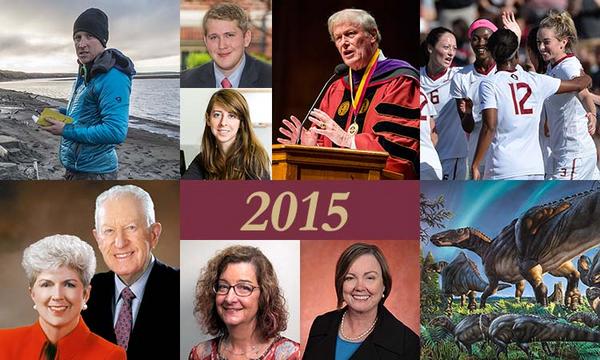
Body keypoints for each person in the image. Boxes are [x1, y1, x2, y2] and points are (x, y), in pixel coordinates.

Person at [277, 9, 420, 178]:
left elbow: (399, 150)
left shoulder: (401, 81)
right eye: (338, 38)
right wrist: (309, 148)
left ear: (372, 35)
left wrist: (348, 140)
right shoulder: (336, 88)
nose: (344, 43)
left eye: (350, 34)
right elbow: (325, 148)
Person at [472, 29, 592, 180]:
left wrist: (475, 164)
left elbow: (490, 126)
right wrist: (584, 75)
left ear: (492, 52)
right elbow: (579, 83)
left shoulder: (489, 84)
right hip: (534, 168)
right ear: (516, 51)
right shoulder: (535, 80)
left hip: (503, 167)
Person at [82, 185, 179, 359]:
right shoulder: (83, 294)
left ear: (154, 234)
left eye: (131, 227)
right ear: (98, 239)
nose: (120, 242)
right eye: (109, 231)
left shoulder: (183, 289)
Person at [42, 8, 135, 180]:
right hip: (77, 168)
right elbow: (86, 112)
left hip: (95, 172)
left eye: (89, 36)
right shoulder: (86, 70)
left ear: (102, 40)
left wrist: (66, 130)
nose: (81, 44)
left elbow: (116, 131)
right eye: (77, 37)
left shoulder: (113, 76)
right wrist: (61, 113)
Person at [0, 235, 126, 359]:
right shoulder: (3, 344)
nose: (57, 296)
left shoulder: (110, 356)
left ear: (86, 294)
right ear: (32, 293)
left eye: (69, 284)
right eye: (46, 284)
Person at [303, 243, 419, 359]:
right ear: (341, 284)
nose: (359, 287)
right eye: (350, 278)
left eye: (370, 278)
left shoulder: (408, 343)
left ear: (384, 284)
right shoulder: (321, 324)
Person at [189, 245, 300, 360]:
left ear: (264, 295)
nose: (229, 298)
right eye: (223, 286)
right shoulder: (200, 355)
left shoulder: (292, 355)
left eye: (244, 287)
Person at [538, 10, 600, 180]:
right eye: (539, 42)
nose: (541, 47)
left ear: (563, 42)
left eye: (546, 42)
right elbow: (584, 93)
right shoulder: (553, 66)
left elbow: (583, 93)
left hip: (573, 153)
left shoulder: (568, 66)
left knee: (556, 201)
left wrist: (592, 114)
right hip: (572, 151)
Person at [182, 89, 270, 180]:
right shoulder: (203, 158)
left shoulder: (253, 159)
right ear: (208, 119)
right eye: (217, 115)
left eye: (231, 116)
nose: (223, 122)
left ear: (241, 122)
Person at [180, 2, 272, 88]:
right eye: (214, 37)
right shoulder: (184, 82)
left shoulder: (270, 78)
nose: (222, 45)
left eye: (229, 35)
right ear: (205, 41)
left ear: (246, 38)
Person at [450, 18, 498, 178]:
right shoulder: (461, 77)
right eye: (475, 38)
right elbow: (467, 127)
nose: (481, 43)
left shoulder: (505, 71)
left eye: (486, 38)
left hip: (505, 148)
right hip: (478, 150)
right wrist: (469, 113)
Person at [420, 27, 468, 180]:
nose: (451, 53)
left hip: (451, 156)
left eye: (454, 48)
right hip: (424, 158)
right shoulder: (415, 77)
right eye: (446, 47)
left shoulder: (460, 76)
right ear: (430, 48)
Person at [420, 91, 443, 180]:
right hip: (432, 163)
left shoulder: (394, 89)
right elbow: (434, 137)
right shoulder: (422, 93)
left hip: (409, 166)